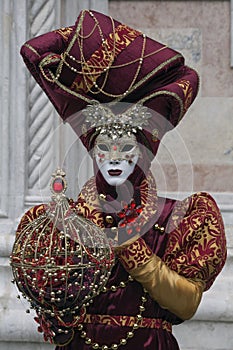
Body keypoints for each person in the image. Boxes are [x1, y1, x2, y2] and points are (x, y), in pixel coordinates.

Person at [16, 9, 226, 350]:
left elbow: (187, 304)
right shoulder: (66, 220)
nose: (114, 158)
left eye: (125, 148)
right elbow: (48, 294)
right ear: (93, 153)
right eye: (105, 149)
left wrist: (131, 246)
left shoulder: (177, 216)